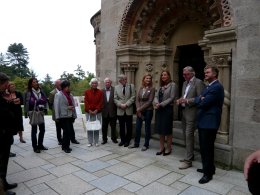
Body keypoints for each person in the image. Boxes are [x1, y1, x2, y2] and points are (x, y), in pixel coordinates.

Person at [192, 65, 224, 184]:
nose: (205, 73)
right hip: (204, 121)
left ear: (214, 74)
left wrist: (201, 99)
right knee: (204, 147)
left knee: (207, 148)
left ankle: (208, 174)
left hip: (209, 123)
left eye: (208, 72)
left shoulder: (216, 87)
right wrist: (201, 98)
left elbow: (204, 103)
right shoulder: (208, 86)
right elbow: (199, 98)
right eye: (205, 72)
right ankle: (209, 168)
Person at [176, 67, 205, 169]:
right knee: (185, 135)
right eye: (183, 74)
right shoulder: (185, 83)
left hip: (192, 113)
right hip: (183, 112)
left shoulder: (198, 82)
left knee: (189, 136)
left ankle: (188, 161)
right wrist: (180, 100)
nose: (184, 76)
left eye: (186, 74)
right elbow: (184, 95)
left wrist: (187, 101)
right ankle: (190, 155)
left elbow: (200, 98)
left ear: (193, 73)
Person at [0, 72, 18, 195]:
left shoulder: (3, 95)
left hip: (6, 133)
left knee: (4, 160)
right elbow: (4, 113)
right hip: (1, 133)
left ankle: (4, 183)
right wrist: (11, 104)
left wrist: (11, 103)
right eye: (6, 83)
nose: (8, 85)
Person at [129, 74, 155, 151]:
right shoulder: (140, 88)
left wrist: (139, 109)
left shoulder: (152, 88)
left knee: (147, 128)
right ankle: (136, 143)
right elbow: (137, 99)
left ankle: (146, 145)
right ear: (144, 79)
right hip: (139, 110)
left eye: (150, 78)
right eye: (147, 78)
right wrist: (138, 109)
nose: (148, 80)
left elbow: (150, 101)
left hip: (148, 111)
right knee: (137, 127)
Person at [154, 70, 177, 156]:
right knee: (160, 129)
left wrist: (161, 104)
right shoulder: (160, 86)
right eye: (162, 75)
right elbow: (156, 96)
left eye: (165, 75)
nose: (163, 76)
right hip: (159, 109)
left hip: (167, 109)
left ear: (169, 76)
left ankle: (168, 148)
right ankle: (161, 147)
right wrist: (156, 103)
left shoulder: (173, 85)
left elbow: (172, 97)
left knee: (167, 130)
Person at [24, 78, 48, 153]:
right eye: (34, 82)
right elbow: (26, 103)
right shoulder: (27, 92)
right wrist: (26, 112)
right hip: (33, 112)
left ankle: (40, 145)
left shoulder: (41, 90)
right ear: (31, 84)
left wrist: (45, 108)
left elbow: (45, 99)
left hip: (40, 112)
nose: (36, 83)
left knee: (42, 129)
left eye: (36, 82)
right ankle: (35, 147)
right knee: (34, 130)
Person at [54, 80, 77, 153]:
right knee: (66, 132)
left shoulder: (70, 94)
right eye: (67, 86)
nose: (68, 88)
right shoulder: (58, 95)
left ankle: (67, 145)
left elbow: (73, 104)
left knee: (69, 131)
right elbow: (56, 106)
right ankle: (65, 147)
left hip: (70, 115)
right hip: (63, 116)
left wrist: (74, 114)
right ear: (63, 87)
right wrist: (57, 117)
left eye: (68, 86)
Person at [114, 74, 136, 147]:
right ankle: (122, 140)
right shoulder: (116, 87)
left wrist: (126, 104)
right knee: (121, 126)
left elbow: (133, 97)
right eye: (122, 80)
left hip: (128, 109)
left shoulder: (131, 86)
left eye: (125, 79)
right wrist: (120, 105)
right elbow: (115, 98)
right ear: (120, 80)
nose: (124, 81)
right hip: (120, 110)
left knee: (129, 126)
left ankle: (128, 140)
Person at [84, 78, 103, 147]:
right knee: (89, 126)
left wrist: (96, 110)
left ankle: (96, 141)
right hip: (89, 112)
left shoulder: (100, 92)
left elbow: (101, 102)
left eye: (95, 83)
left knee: (96, 126)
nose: (94, 84)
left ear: (97, 84)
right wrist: (89, 110)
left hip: (97, 112)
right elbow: (86, 101)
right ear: (91, 84)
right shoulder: (87, 92)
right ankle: (90, 142)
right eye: (93, 83)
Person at [101, 78, 118, 144]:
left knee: (113, 126)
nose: (107, 83)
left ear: (111, 83)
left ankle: (114, 138)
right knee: (104, 127)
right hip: (104, 112)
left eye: (108, 82)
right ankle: (104, 139)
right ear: (104, 83)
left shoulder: (115, 90)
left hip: (113, 112)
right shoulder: (101, 91)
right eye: (106, 82)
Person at [49, 79, 63, 145]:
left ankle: (64, 137)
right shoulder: (52, 93)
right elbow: (50, 103)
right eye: (59, 84)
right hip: (56, 113)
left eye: (61, 83)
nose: (61, 85)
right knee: (58, 127)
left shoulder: (63, 91)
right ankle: (59, 139)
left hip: (63, 113)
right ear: (56, 85)